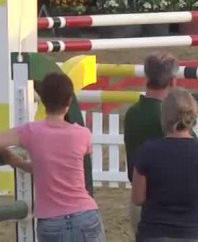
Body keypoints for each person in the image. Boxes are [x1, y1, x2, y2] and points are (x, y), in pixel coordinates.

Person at [0, 72, 105, 241]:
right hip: (85, 214)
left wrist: (11, 158)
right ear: (69, 101)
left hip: (51, 220)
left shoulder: (31, 132)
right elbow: (59, 166)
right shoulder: (82, 135)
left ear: (42, 100)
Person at [132, 87, 198, 242]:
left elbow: (138, 198)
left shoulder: (147, 151)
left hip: (153, 231)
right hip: (191, 232)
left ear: (164, 116)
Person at [124, 52, 178, 234]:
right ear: (172, 80)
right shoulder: (170, 117)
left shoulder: (132, 113)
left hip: (138, 197)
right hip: (166, 204)